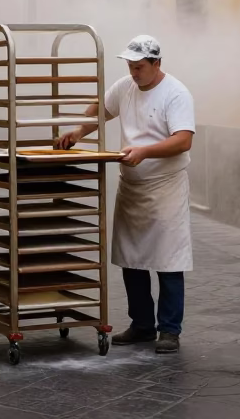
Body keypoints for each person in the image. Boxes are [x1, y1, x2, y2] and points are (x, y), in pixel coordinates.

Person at [56, 35, 195, 354]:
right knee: (131, 258)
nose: (134, 73)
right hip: (132, 186)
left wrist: (145, 152)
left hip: (166, 186)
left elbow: (183, 140)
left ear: (157, 63)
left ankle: (170, 330)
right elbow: (101, 109)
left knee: (168, 260)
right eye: (131, 67)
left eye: (140, 67)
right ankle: (142, 325)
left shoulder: (176, 93)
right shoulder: (125, 87)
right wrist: (79, 131)